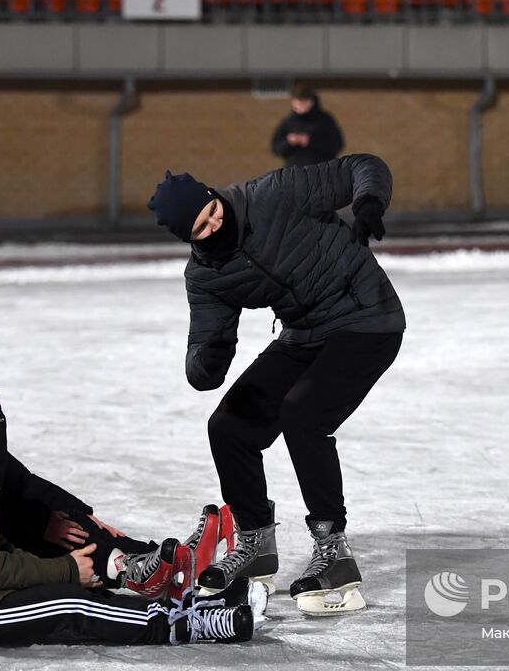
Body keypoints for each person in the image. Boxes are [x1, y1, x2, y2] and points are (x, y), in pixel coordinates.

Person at [146, 155, 405, 616]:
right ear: (187, 238)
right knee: (228, 425)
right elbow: (207, 341)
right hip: (304, 335)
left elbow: (363, 167)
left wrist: (367, 204)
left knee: (303, 415)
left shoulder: (275, 194)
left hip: (367, 318)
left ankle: (335, 553)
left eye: (212, 212)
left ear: (214, 197)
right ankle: (255, 542)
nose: (213, 226)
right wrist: (205, 363)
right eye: (200, 229)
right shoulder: (206, 275)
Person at [0, 360, 259, 650]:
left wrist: (67, 556)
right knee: (67, 602)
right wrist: (67, 569)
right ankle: (181, 625)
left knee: (66, 586)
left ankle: (180, 603)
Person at [0, 324, 154, 571]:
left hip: (6, 537)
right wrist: (40, 525)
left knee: (79, 528)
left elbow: (19, 481)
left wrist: (80, 513)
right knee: (73, 553)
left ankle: (164, 562)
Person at [270, 83, 345, 168]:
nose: (298, 106)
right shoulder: (289, 122)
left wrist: (311, 141)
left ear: (310, 102)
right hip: (295, 172)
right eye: (296, 103)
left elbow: (337, 145)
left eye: (301, 103)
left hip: (320, 170)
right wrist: (289, 142)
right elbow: (275, 147)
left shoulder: (325, 120)